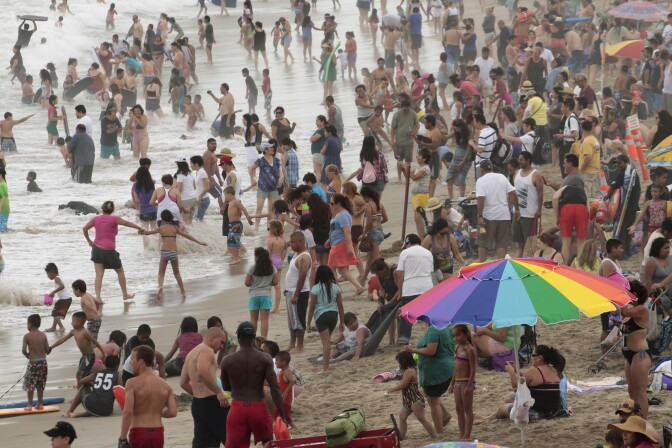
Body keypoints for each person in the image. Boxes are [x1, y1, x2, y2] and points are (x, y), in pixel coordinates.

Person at [220, 322, 288, 447]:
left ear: (239, 337)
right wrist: (283, 415)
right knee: (269, 443)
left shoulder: (227, 361)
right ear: (253, 338)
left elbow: (226, 388)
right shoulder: (265, 358)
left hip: (237, 408)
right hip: (258, 407)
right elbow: (275, 389)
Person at [82, 201, 144, 301]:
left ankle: (98, 297)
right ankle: (125, 294)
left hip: (96, 249)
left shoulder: (95, 219)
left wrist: (89, 241)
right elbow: (127, 223)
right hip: (109, 250)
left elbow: (84, 229)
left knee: (99, 275)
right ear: (112, 209)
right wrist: (139, 227)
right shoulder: (114, 219)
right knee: (120, 271)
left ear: (102, 208)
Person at [119, 345, 178, 447]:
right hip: (158, 433)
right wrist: (157, 413)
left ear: (141, 362)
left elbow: (128, 412)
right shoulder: (165, 385)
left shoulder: (132, 383)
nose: (129, 362)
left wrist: (123, 438)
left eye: (132, 359)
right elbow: (173, 412)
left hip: (139, 433)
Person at [179, 326, 229, 448]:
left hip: (198, 404)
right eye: (221, 342)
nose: (222, 346)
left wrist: (198, 395)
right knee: (232, 438)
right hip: (211, 403)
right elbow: (202, 372)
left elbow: (183, 383)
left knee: (205, 443)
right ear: (213, 338)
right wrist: (218, 392)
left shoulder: (191, 353)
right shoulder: (207, 350)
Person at [404, 322, 455, 437]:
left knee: (433, 401)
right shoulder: (446, 326)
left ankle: (439, 432)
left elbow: (431, 351)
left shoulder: (434, 329)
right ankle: (445, 415)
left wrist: (412, 350)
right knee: (431, 395)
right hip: (445, 369)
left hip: (437, 371)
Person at [143, 210, 207, 299]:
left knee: (161, 273)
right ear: (171, 218)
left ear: (162, 219)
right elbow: (186, 235)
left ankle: (160, 287)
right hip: (173, 252)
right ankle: (183, 292)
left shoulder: (161, 228)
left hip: (164, 252)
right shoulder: (175, 228)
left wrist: (141, 231)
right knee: (177, 273)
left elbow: (147, 233)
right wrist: (199, 242)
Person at [493, 344, 566, 421]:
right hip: (553, 411)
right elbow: (530, 378)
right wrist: (516, 371)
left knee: (502, 409)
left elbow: (516, 388)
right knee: (508, 398)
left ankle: (486, 418)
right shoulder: (553, 370)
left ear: (540, 357)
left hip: (537, 413)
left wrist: (511, 372)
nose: (532, 358)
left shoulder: (535, 370)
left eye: (533, 355)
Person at [618, 281, 652, 418]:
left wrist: (621, 299)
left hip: (640, 354)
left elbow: (624, 311)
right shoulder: (632, 311)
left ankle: (642, 422)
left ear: (635, 294)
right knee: (631, 390)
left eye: (627, 291)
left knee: (640, 392)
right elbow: (625, 321)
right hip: (629, 355)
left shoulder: (642, 309)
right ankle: (634, 419)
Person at [387, 351, 437, 439]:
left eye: (399, 362)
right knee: (402, 417)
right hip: (407, 399)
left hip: (415, 398)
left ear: (404, 361)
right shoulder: (407, 370)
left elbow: (404, 385)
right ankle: (402, 436)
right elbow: (403, 379)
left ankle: (434, 436)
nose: (398, 364)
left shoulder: (410, 370)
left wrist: (392, 389)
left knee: (421, 418)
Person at [476, 160, 519, 261]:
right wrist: (516, 208)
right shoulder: (501, 177)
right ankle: (502, 266)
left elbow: (481, 199)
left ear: (481, 170)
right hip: (503, 214)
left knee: (483, 243)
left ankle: (482, 265)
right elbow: (513, 193)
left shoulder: (481, 181)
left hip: (488, 215)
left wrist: (480, 215)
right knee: (502, 244)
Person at [50, 312, 106, 387]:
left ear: (79, 322)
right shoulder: (73, 332)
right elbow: (62, 340)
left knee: (80, 375)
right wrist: (51, 347)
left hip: (89, 356)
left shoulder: (85, 332)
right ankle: (87, 387)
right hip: (84, 356)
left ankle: (81, 389)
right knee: (81, 375)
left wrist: (103, 352)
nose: (71, 322)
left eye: (73, 321)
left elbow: (95, 341)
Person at [396, 234, 434, 345]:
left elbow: (400, 274)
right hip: (427, 286)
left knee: (407, 315)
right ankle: (437, 334)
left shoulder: (405, 253)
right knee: (430, 314)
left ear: (408, 243)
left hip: (410, 287)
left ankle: (404, 338)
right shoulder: (428, 253)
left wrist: (400, 292)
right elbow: (430, 271)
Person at [306, 265, 345, 371]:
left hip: (321, 315)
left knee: (326, 342)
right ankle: (327, 364)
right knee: (326, 341)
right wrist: (342, 321)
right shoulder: (336, 287)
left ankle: (326, 367)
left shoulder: (315, 288)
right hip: (333, 315)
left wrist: (308, 323)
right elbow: (340, 306)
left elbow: (312, 307)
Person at [327, 194, 364, 294]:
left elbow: (347, 232)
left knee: (332, 267)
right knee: (342, 269)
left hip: (340, 244)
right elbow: (335, 229)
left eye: (332, 203)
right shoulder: (339, 214)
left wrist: (348, 247)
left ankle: (337, 289)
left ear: (338, 203)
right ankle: (359, 287)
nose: (331, 205)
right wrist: (329, 240)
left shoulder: (343, 215)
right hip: (336, 243)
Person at [449, 324, 477, 440]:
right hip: (457, 383)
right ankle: (461, 433)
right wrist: (451, 383)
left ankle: (467, 434)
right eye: (454, 336)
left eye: (458, 335)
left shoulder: (469, 349)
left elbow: (473, 368)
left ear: (466, 334)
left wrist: (470, 385)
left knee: (467, 409)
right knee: (458, 408)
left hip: (465, 382)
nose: (456, 338)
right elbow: (455, 369)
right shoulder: (457, 348)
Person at [285, 231, 312, 352]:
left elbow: (302, 276)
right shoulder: (296, 254)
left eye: (293, 242)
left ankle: (300, 345)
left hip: (300, 293)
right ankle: (292, 344)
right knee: (291, 320)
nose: (291, 244)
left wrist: (296, 294)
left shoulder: (304, 257)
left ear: (301, 242)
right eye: (290, 242)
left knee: (299, 319)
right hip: (290, 291)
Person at [245, 247, 277, 340]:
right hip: (266, 295)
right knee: (264, 319)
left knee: (253, 319)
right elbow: (275, 282)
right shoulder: (271, 268)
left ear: (257, 257)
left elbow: (247, 283)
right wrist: (267, 283)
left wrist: (254, 283)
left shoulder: (252, 268)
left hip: (254, 296)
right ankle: (264, 339)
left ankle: (252, 339)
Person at [22, 314, 49, 411]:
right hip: (43, 363)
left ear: (30, 324)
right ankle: (40, 404)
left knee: (30, 384)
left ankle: (30, 405)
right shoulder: (43, 335)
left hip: (33, 363)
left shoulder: (27, 336)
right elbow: (47, 350)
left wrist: (27, 355)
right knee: (40, 383)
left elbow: (24, 350)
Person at [44, 263, 72, 332]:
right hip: (65, 298)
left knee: (56, 314)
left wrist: (53, 292)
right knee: (55, 313)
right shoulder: (58, 277)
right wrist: (53, 294)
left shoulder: (56, 278)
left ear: (52, 272)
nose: (47, 276)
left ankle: (61, 327)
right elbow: (62, 289)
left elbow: (62, 286)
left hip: (65, 299)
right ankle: (53, 327)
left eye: (48, 274)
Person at [274, 351, 295, 426]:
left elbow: (292, 381)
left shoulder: (287, 371)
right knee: (281, 413)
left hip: (285, 398)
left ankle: (290, 426)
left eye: (277, 361)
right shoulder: (281, 371)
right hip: (281, 397)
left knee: (284, 413)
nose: (275, 363)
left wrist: (285, 392)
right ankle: (288, 426)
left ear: (283, 362)